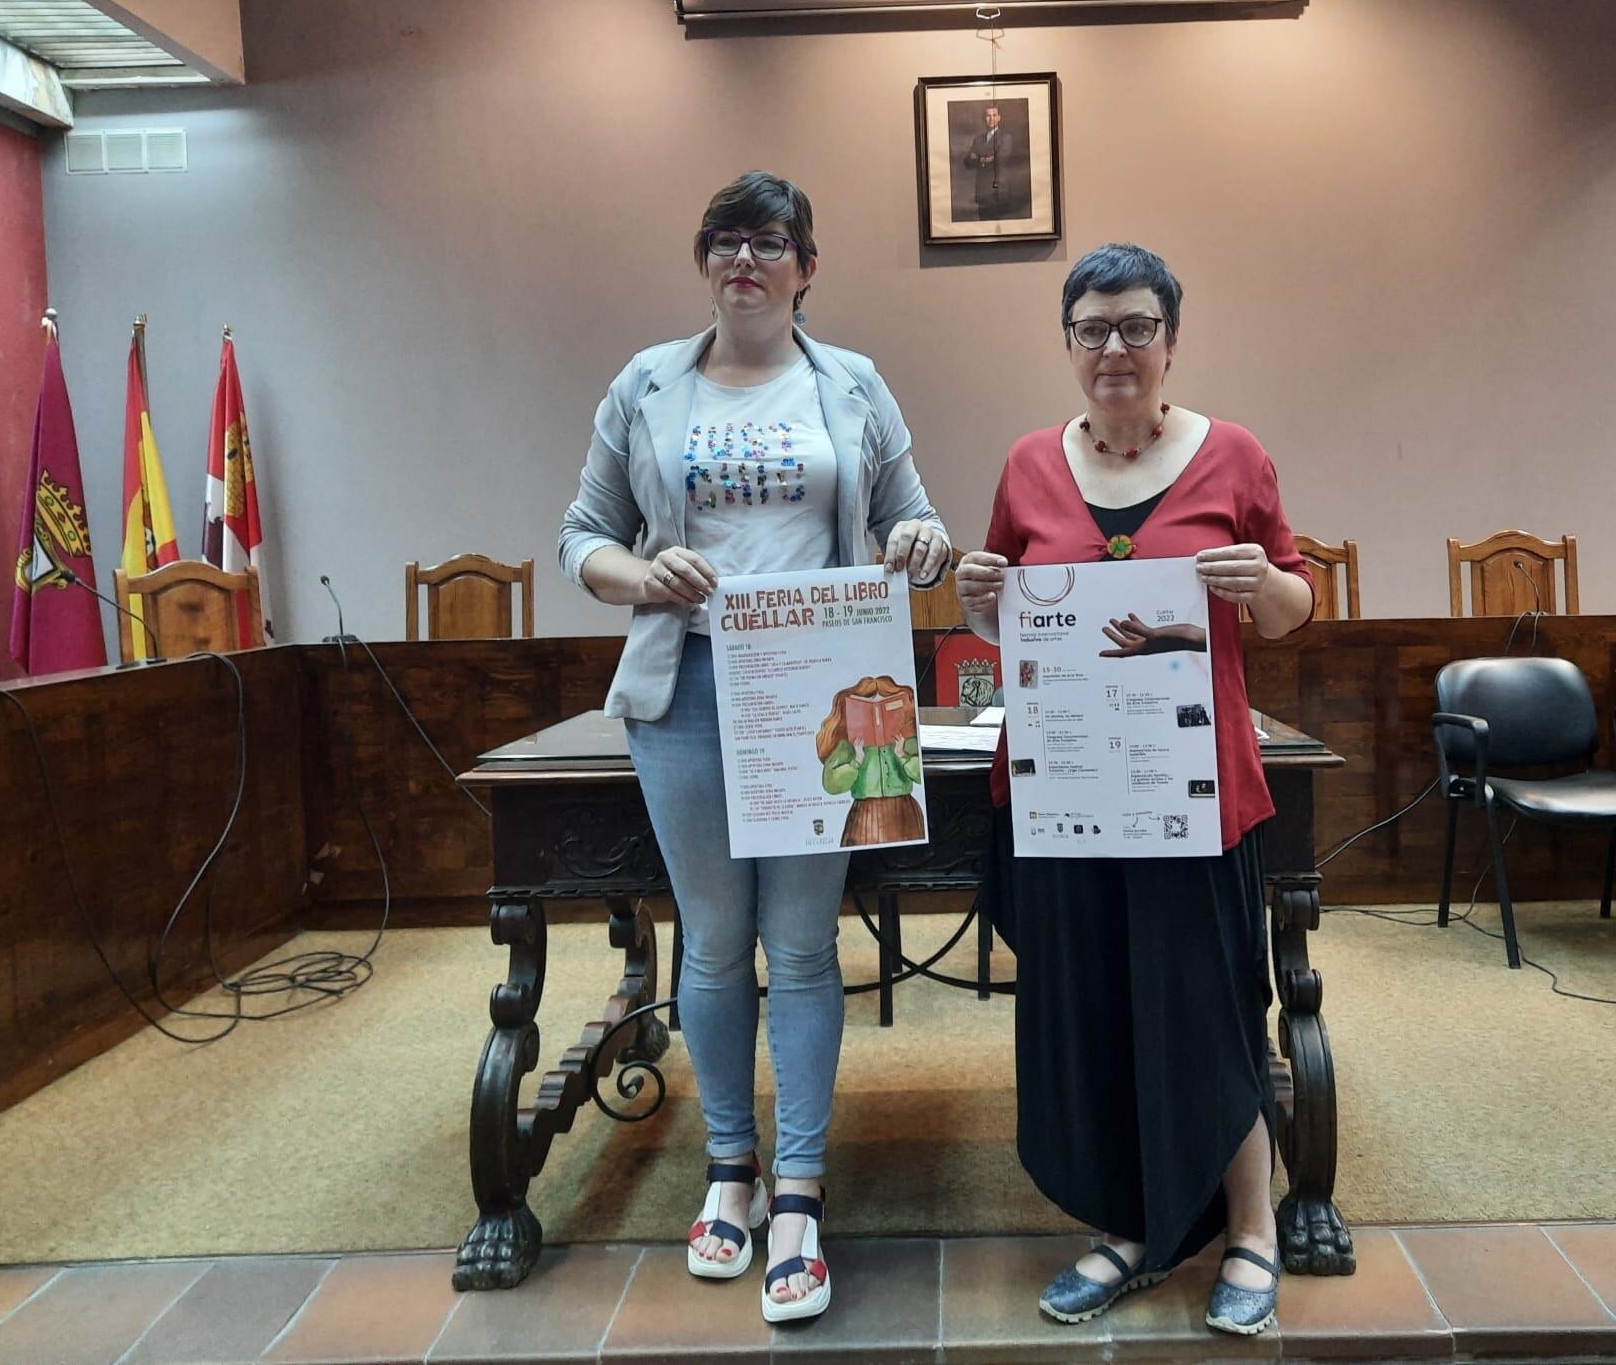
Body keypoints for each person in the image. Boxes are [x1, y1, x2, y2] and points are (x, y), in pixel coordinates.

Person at [559, 171, 950, 1324]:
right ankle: (729, 1168)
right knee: (718, 944)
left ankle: (798, 1188)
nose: (745, 260)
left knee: (806, 945)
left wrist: (919, 538)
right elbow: (583, 535)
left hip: (828, 694)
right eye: (724, 241)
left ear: (805, 267)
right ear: (703, 261)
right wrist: (643, 573)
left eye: (768, 243)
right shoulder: (645, 382)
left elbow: (906, 516)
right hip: (685, 692)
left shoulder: (852, 383)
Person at [954, 242, 1315, 1338]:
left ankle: (1248, 1229)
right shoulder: (1025, 464)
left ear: (1169, 339)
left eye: (1136, 326)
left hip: (1192, 795)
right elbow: (1005, 622)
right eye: (1092, 329)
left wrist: (1265, 585)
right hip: (1064, 791)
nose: (1114, 348)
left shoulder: (1233, 454)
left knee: (1209, 1010)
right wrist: (979, 600)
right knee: (1093, 1011)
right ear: (1066, 343)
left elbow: (1291, 605)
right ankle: (1126, 1230)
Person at [962, 104, 1021, 220]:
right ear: (984, 118)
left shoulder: (1005, 137)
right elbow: (967, 162)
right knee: (984, 225)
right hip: (982, 191)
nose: (991, 118)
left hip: (998, 191)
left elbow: (999, 160)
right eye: (988, 116)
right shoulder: (978, 139)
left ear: (999, 117)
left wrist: (978, 158)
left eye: (994, 115)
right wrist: (986, 158)